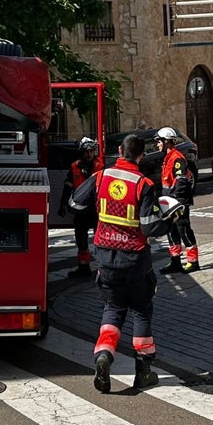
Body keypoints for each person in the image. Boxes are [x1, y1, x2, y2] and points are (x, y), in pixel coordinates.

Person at [68, 133, 166, 392]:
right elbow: (148, 228)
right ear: (141, 155)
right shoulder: (143, 184)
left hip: (106, 258)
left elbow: (75, 202)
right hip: (135, 261)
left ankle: (104, 355)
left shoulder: (101, 176)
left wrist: (101, 214)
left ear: (120, 150)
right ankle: (143, 372)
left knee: (113, 308)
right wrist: (168, 221)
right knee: (142, 310)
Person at [154, 126, 199, 273]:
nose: (157, 144)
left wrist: (175, 201)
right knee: (171, 231)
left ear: (167, 142)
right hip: (169, 202)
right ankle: (175, 261)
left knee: (183, 230)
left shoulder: (177, 158)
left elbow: (181, 182)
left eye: (159, 141)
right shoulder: (167, 159)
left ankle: (193, 261)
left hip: (178, 202)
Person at [58, 136, 102, 278]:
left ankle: (104, 269)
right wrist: (62, 205)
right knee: (81, 238)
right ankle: (84, 267)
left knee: (100, 239)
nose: (89, 154)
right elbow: (67, 187)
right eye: (86, 152)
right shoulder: (75, 167)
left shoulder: (100, 167)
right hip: (81, 210)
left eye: (91, 151)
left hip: (96, 210)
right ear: (81, 152)